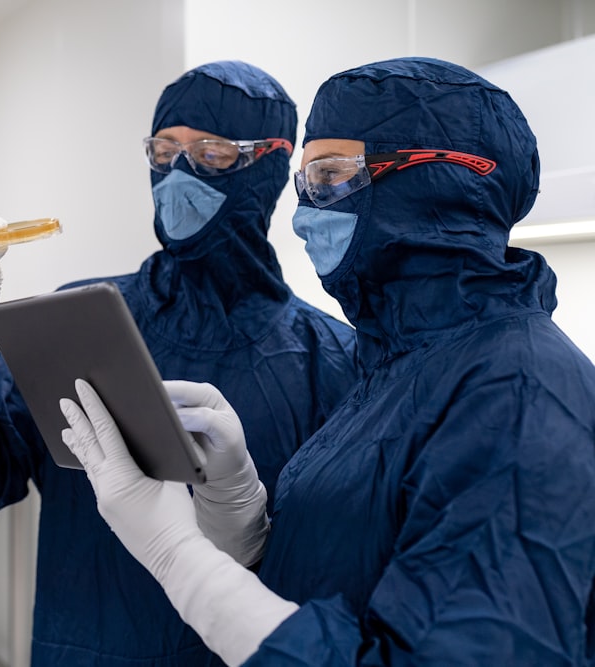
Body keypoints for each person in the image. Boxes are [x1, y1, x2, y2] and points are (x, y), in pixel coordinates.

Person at [59, 56, 595, 666]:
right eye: (306, 183)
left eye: (333, 176)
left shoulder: (520, 394)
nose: (304, 214)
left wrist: (177, 553)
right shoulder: (398, 368)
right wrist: (244, 520)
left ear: (441, 181)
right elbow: (346, 575)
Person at [0, 60, 360, 666]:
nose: (178, 172)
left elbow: (335, 567)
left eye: (212, 151)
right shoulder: (80, 322)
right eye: (164, 150)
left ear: (270, 165)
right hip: (86, 643)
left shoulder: (333, 357)